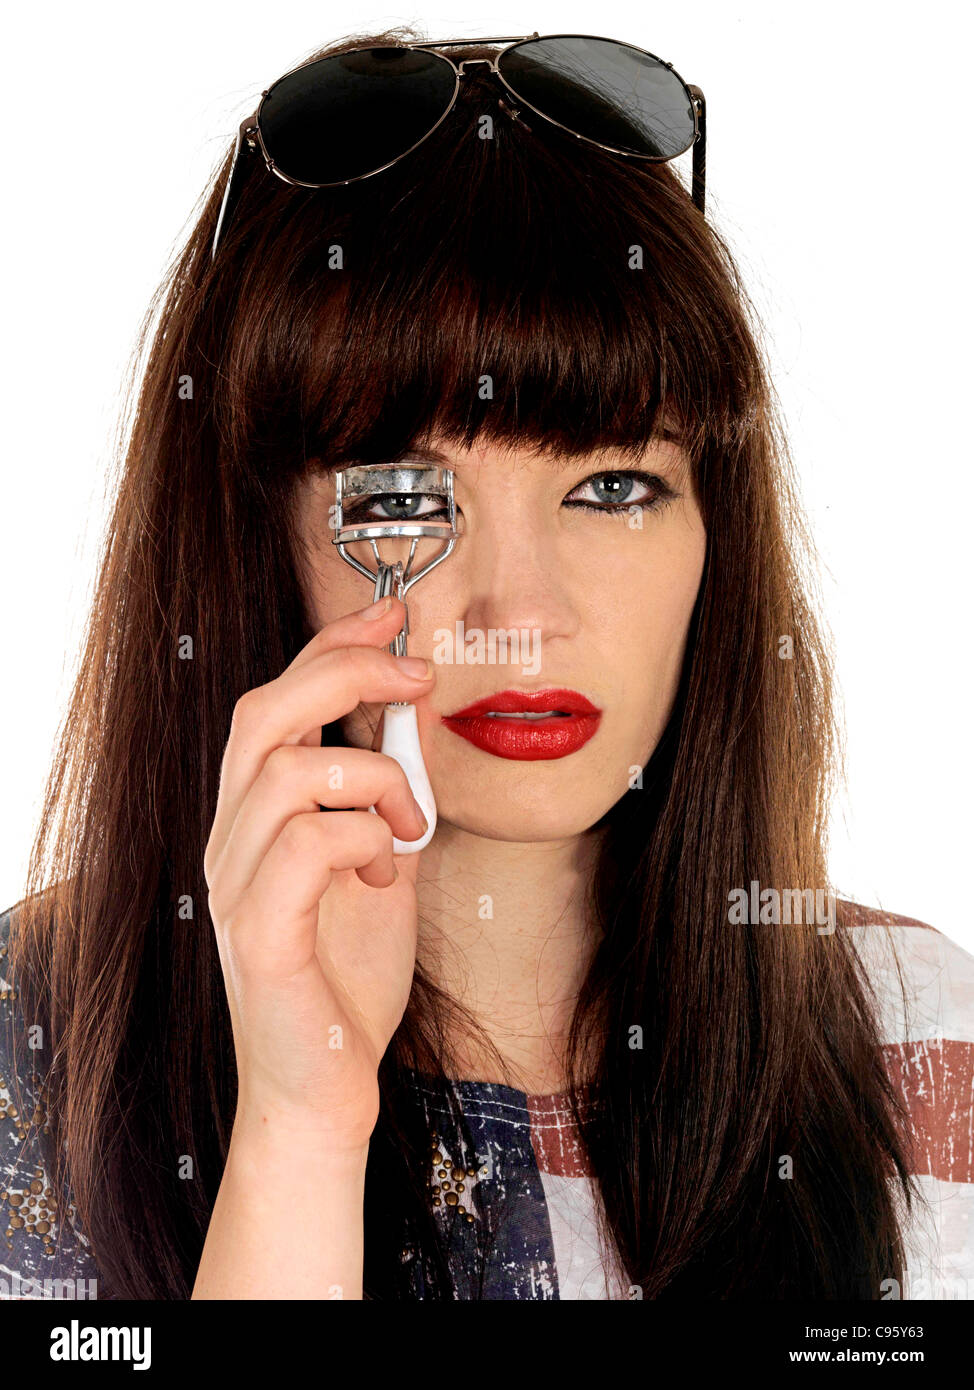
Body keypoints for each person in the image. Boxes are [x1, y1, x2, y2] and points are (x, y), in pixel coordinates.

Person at [2, 26, 972, 1301]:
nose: (522, 612)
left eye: (612, 483)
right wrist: (298, 1126)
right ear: (259, 534)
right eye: (405, 499)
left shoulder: (917, 1037)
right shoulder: (37, 1054)